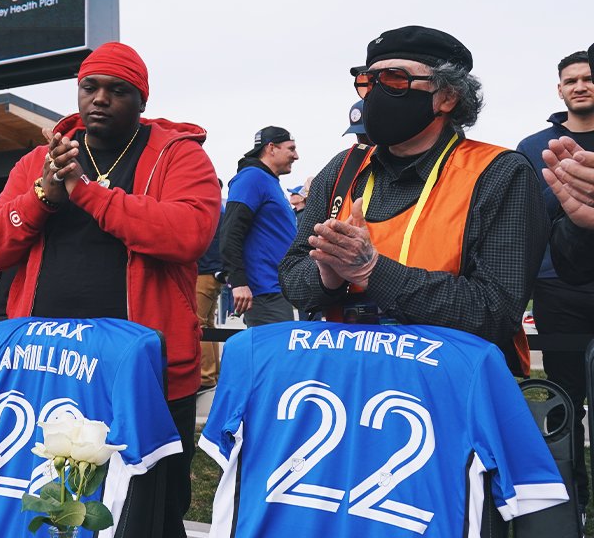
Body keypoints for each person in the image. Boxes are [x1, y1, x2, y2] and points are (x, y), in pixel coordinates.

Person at [0, 41, 220, 538]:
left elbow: (187, 234)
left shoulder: (181, 154)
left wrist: (85, 192)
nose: (100, 99)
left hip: (148, 376)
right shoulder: (42, 160)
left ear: (141, 99)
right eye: (91, 87)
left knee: (150, 514)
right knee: (51, 501)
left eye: (118, 91)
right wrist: (42, 197)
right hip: (51, 367)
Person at [279, 25, 548, 376]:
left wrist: (370, 270)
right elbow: (292, 278)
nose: (374, 94)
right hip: (343, 382)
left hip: (450, 389)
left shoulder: (499, 173)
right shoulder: (343, 169)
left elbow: (494, 311)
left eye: (394, 80)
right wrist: (327, 275)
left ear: (447, 97)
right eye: (367, 81)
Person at [517, 50, 594, 513]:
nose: (580, 86)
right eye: (572, 80)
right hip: (557, 286)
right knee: (567, 396)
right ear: (559, 89)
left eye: (588, 78)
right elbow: (525, 217)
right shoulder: (534, 145)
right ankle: (574, 498)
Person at [221, 127, 299, 327]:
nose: (296, 156)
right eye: (291, 149)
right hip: (264, 292)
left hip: (277, 289)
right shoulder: (251, 177)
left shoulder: (268, 181)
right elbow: (231, 232)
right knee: (277, 355)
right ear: (271, 148)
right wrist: (238, 282)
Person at [197, 182, 225, 392]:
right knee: (208, 324)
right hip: (214, 272)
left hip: (205, 271)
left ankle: (206, 376)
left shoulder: (211, 210)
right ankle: (213, 373)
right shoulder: (219, 209)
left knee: (200, 324)